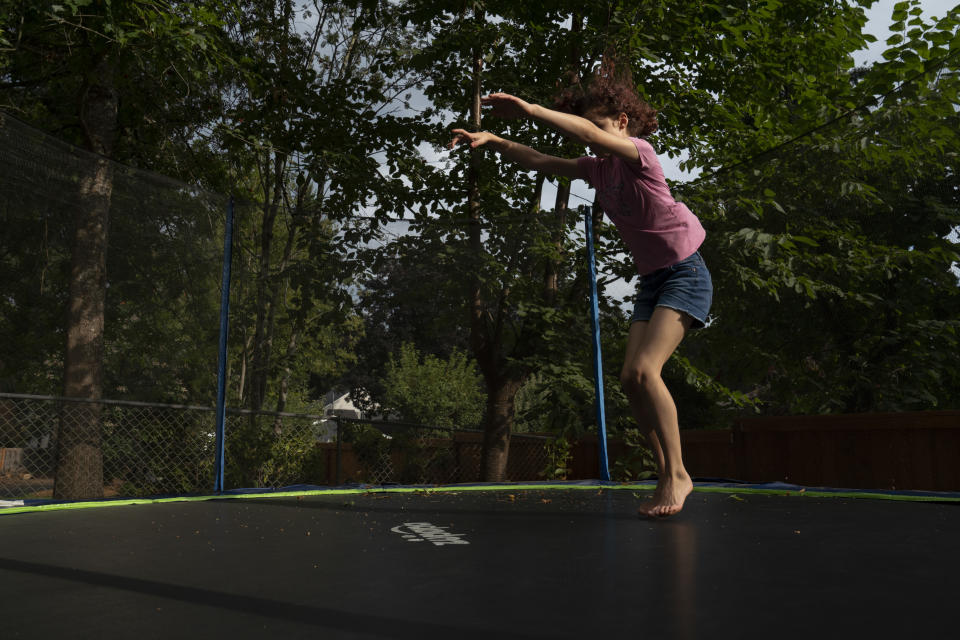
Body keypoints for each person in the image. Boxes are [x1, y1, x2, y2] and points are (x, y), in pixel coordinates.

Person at [448, 67, 712, 517]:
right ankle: (667, 468)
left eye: (601, 129)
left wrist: (530, 109)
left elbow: (590, 131)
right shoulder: (597, 169)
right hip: (653, 280)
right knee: (630, 379)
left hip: (685, 271)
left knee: (648, 371)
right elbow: (542, 162)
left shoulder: (638, 154)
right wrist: (493, 140)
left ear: (623, 122)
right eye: (590, 135)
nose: (591, 141)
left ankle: (677, 474)